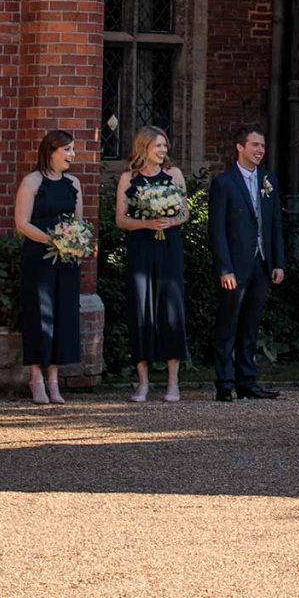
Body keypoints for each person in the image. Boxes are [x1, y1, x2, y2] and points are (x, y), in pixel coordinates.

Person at [206, 123, 285, 402]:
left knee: (250, 325)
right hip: (236, 265)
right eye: (255, 145)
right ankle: (225, 383)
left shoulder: (268, 181)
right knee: (228, 325)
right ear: (240, 147)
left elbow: (275, 223)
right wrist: (224, 268)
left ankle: (247, 382)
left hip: (262, 263)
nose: (260, 151)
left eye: (262, 146)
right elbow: (216, 231)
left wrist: (278, 263)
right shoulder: (224, 183)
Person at [113, 125, 189, 402]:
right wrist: (146, 222)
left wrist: (171, 220)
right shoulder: (128, 178)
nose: (163, 150)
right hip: (141, 248)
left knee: (171, 309)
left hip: (169, 247)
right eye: (158, 145)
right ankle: (143, 382)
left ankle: (173, 382)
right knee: (140, 308)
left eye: (165, 146)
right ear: (143, 147)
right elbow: (121, 220)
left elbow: (185, 213)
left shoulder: (174, 175)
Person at [11, 129, 86, 406]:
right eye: (66, 150)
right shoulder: (32, 181)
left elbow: (79, 222)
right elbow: (22, 223)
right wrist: (52, 240)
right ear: (51, 151)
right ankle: (36, 378)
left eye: (73, 150)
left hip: (66, 260)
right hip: (38, 258)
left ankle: (54, 380)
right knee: (39, 314)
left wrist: (73, 242)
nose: (72, 155)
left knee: (63, 314)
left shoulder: (73, 183)